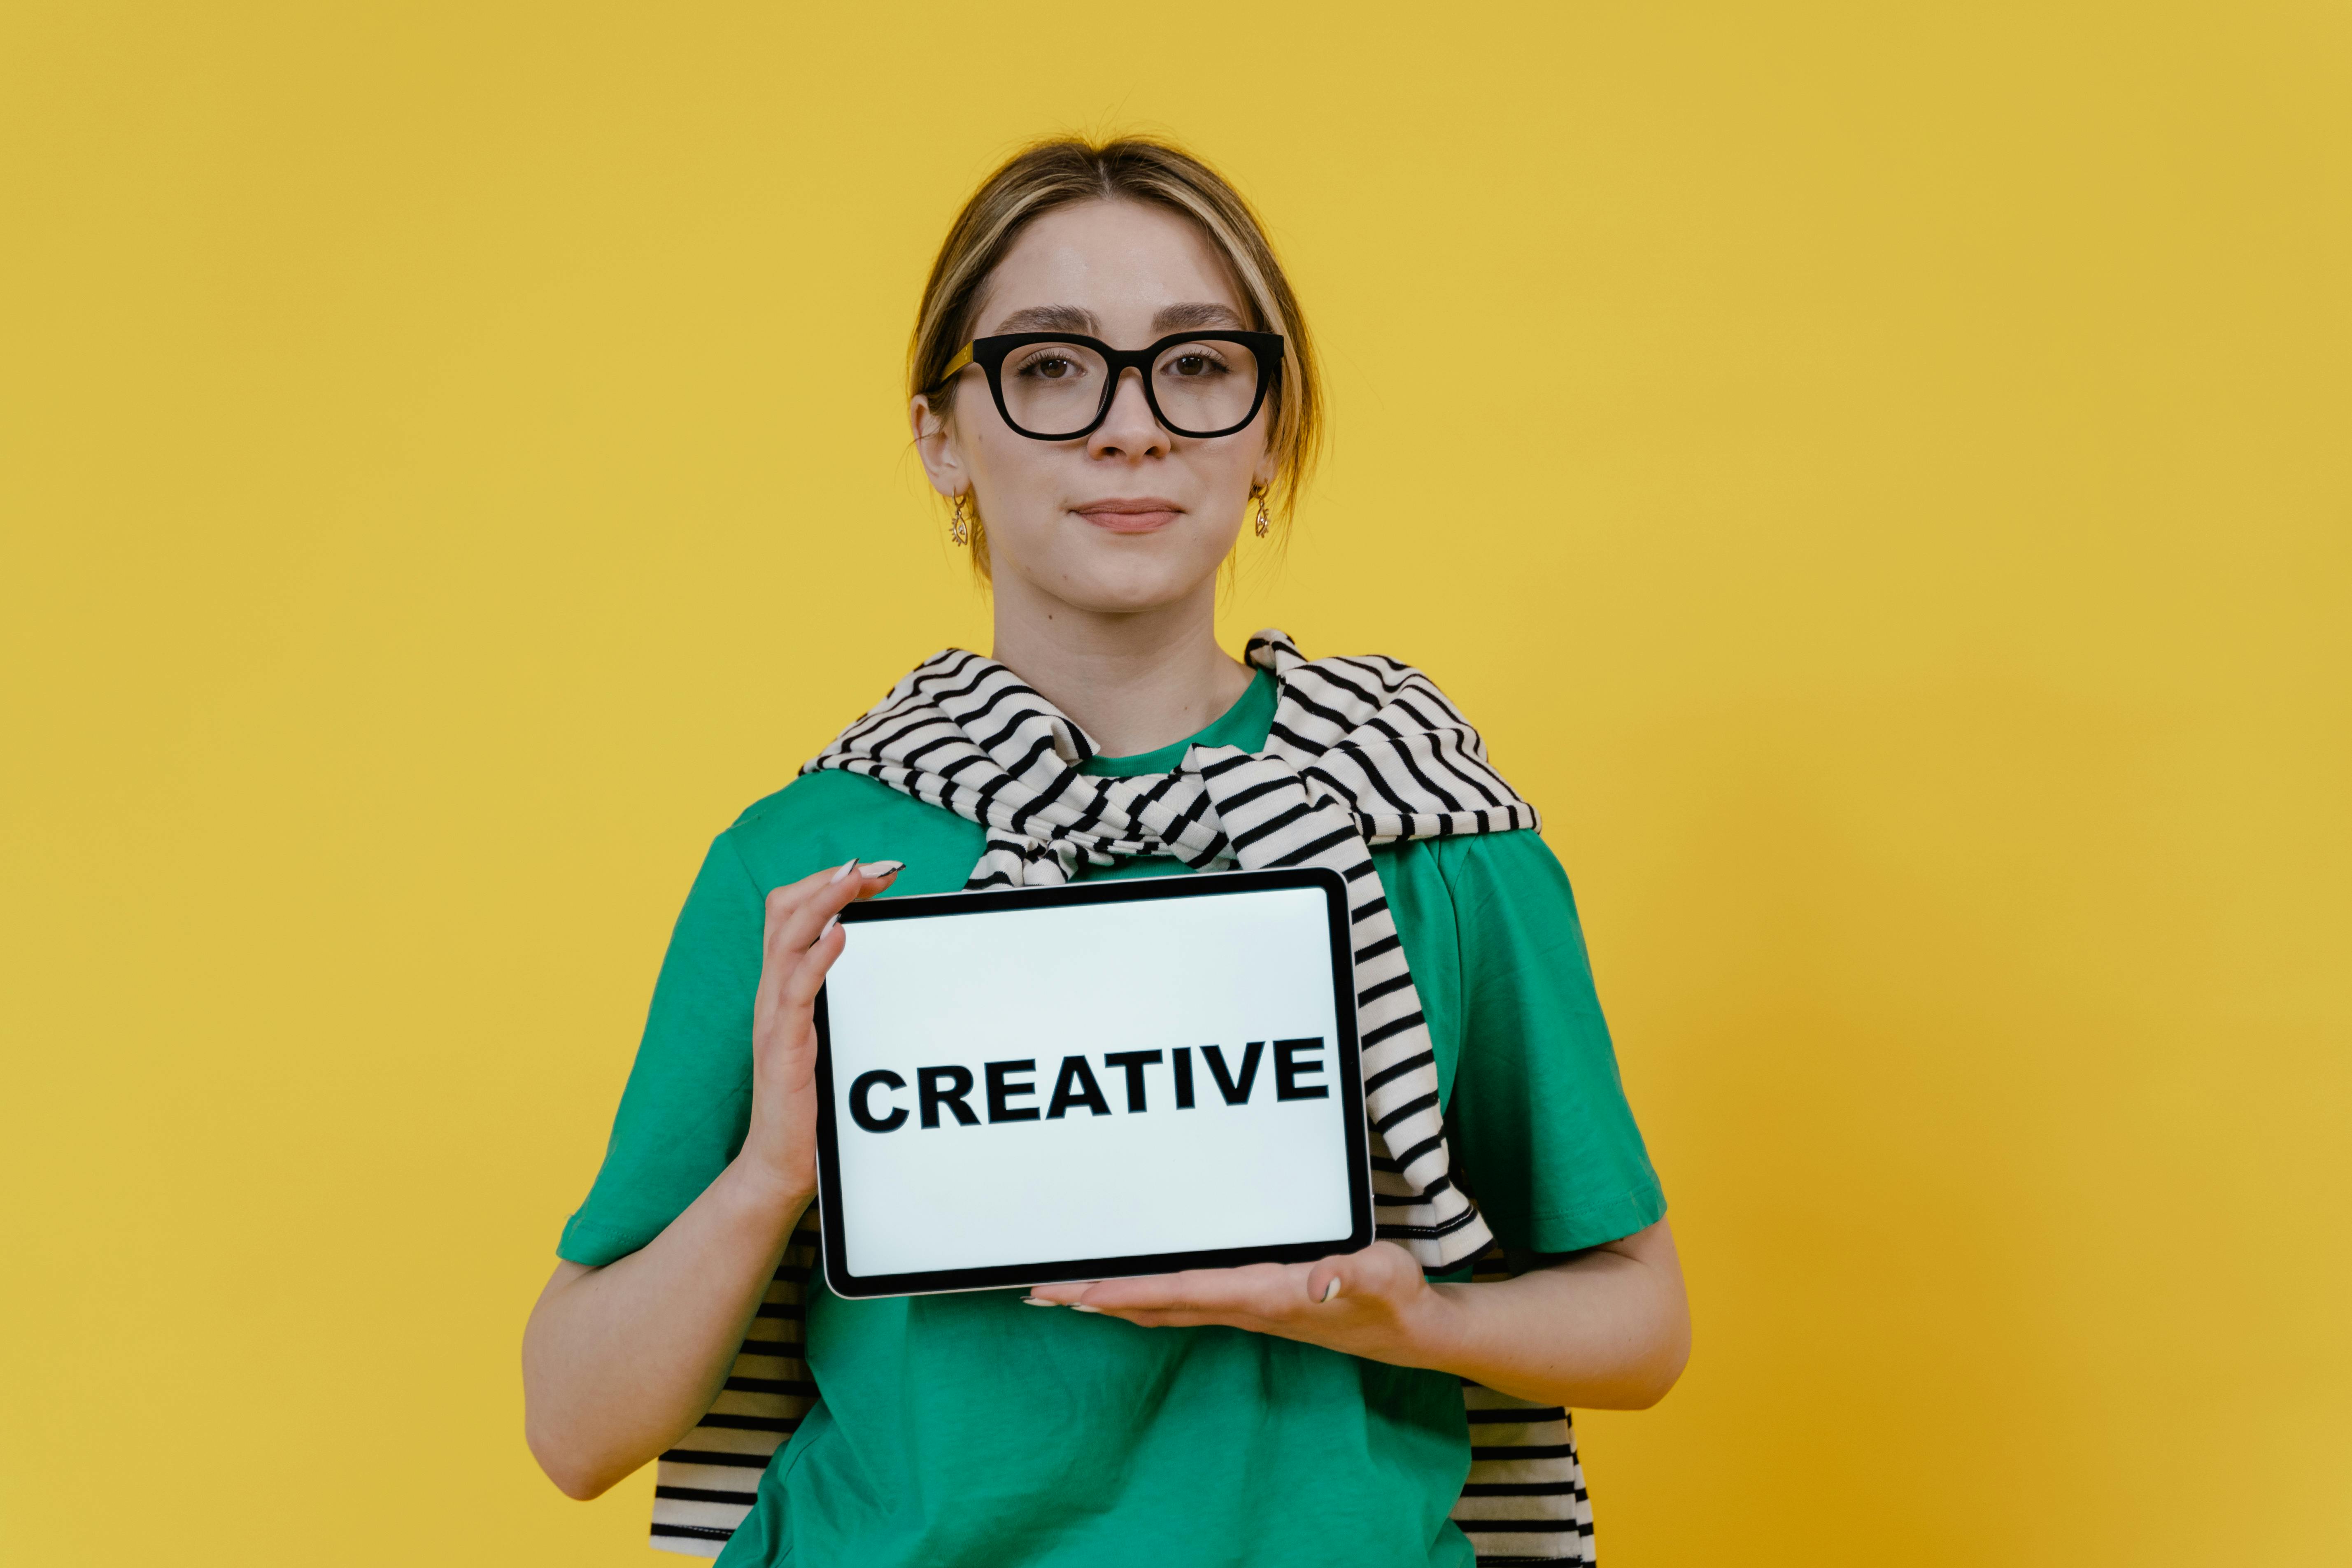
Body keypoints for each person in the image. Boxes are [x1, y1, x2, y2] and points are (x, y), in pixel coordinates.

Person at [521, 136, 1689, 1568]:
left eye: (1197, 367)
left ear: (1269, 432)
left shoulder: (1427, 830)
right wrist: (774, 1169)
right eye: (1051, 366)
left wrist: (1410, 1313)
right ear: (943, 432)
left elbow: (1640, 1325)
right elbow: (575, 1425)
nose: (1130, 428)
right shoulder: (814, 864)